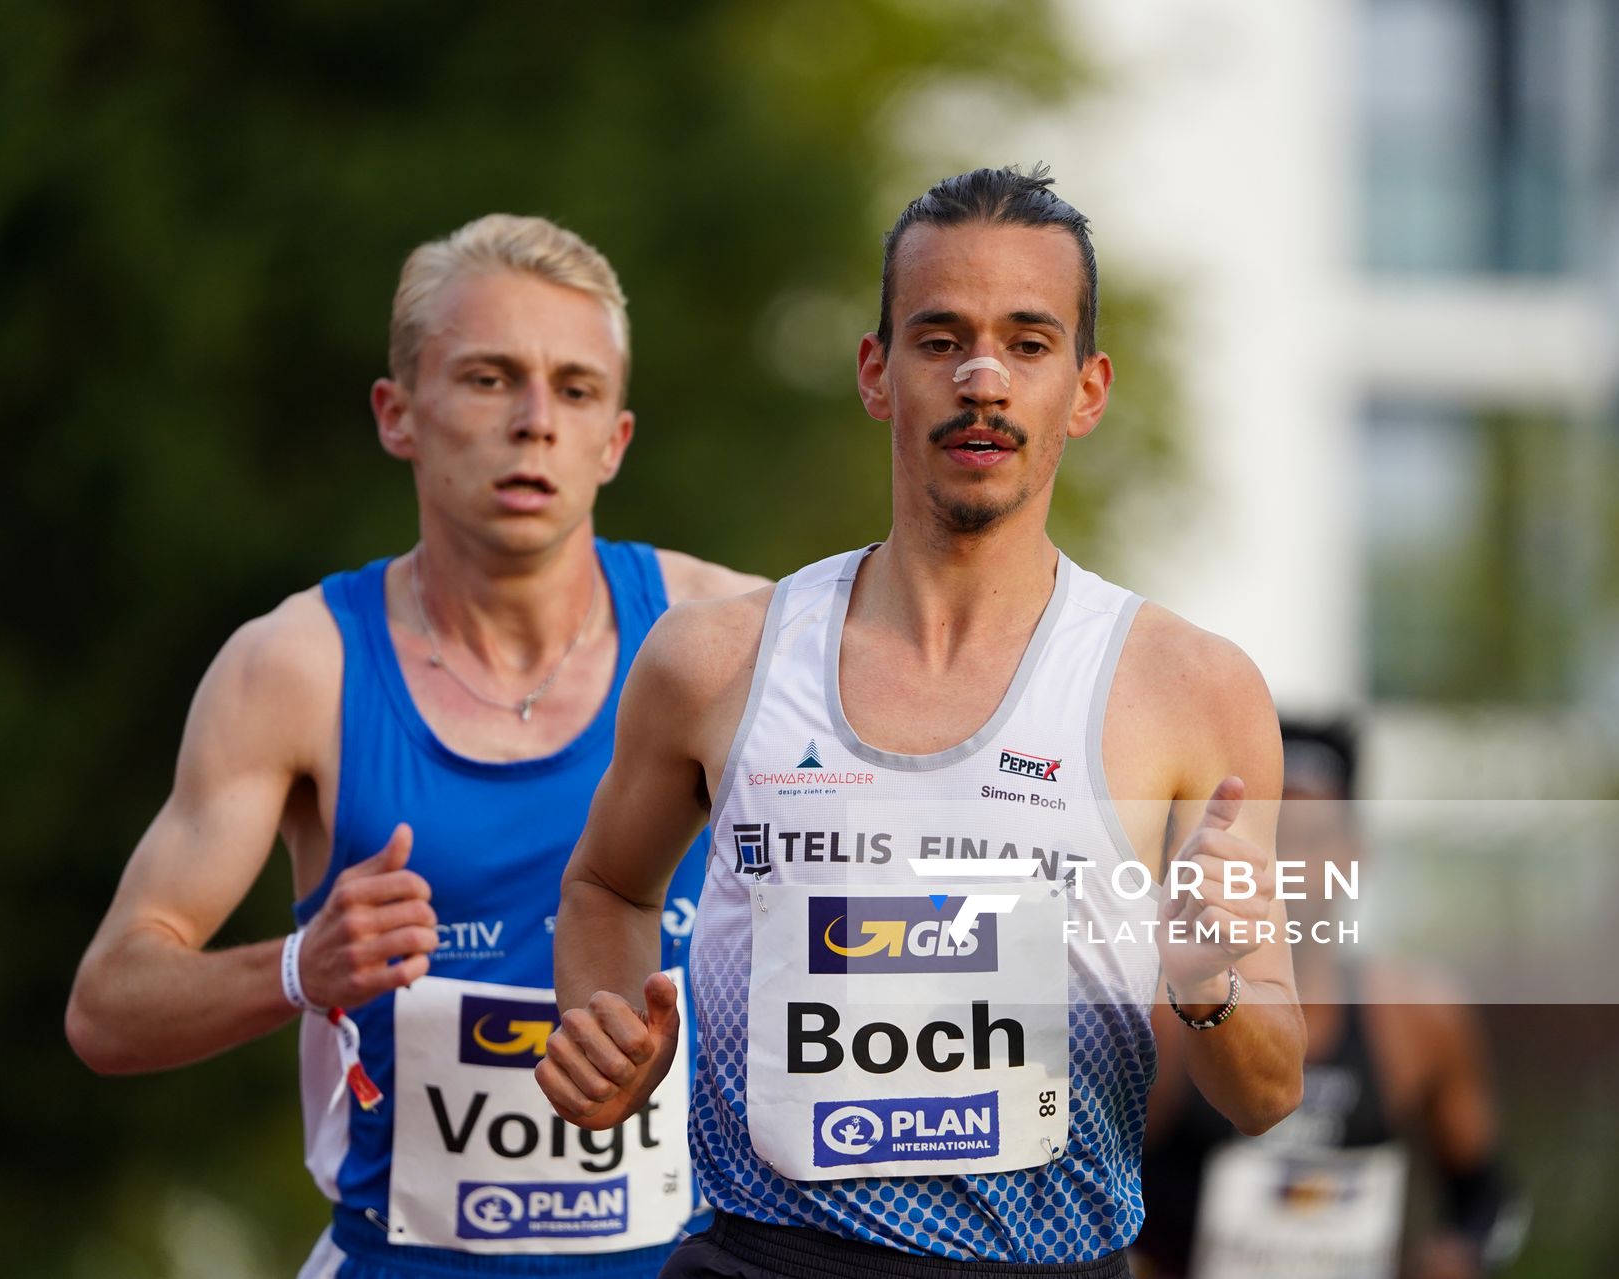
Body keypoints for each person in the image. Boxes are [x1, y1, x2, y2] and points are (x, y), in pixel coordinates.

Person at [537, 166, 1306, 1277]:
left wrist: (1209, 985)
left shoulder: (1192, 689)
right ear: (876, 371)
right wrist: (604, 1034)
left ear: (1086, 391)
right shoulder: (718, 660)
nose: (983, 377)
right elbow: (608, 885)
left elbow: (1271, 1090)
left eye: (1028, 343)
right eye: (940, 339)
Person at [66, 213, 767, 1279]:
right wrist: (303, 965)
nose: (535, 422)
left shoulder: (730, 640)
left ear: (614, 439)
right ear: (399, 414)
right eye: (489, 379)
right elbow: (107, 1008)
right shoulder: (296, 667)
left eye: (575, 390)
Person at [1132, 718, 1528, 1279]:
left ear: (1357, 855)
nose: (1290, 863)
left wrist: (1456, 1257)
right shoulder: (1164, 1013)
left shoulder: (1416, 1017)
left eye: (1313, 838)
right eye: (1273, 837)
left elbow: (1486, 1199)